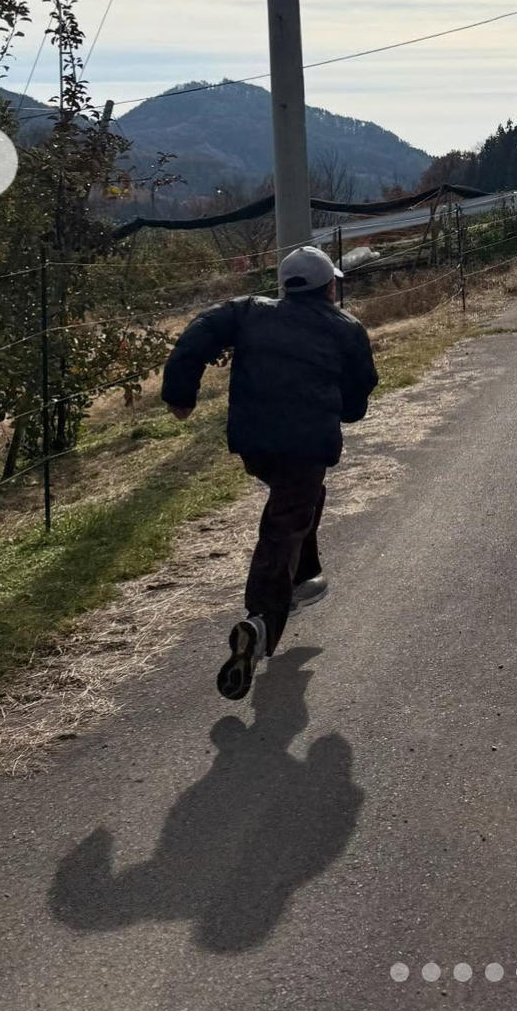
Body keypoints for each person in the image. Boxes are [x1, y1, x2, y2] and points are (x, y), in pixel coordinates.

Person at [162, 244, 377, 700]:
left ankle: (304, 578)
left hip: (254, 442)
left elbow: (198, 334)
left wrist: (180, 394)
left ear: (286, 286)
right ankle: (259, 623)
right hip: (305, 446)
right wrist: (346, 408)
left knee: (299, 501)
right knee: (283, 525)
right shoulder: (346, 329)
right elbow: (360, 392)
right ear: (330, 287)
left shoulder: (248, 312)